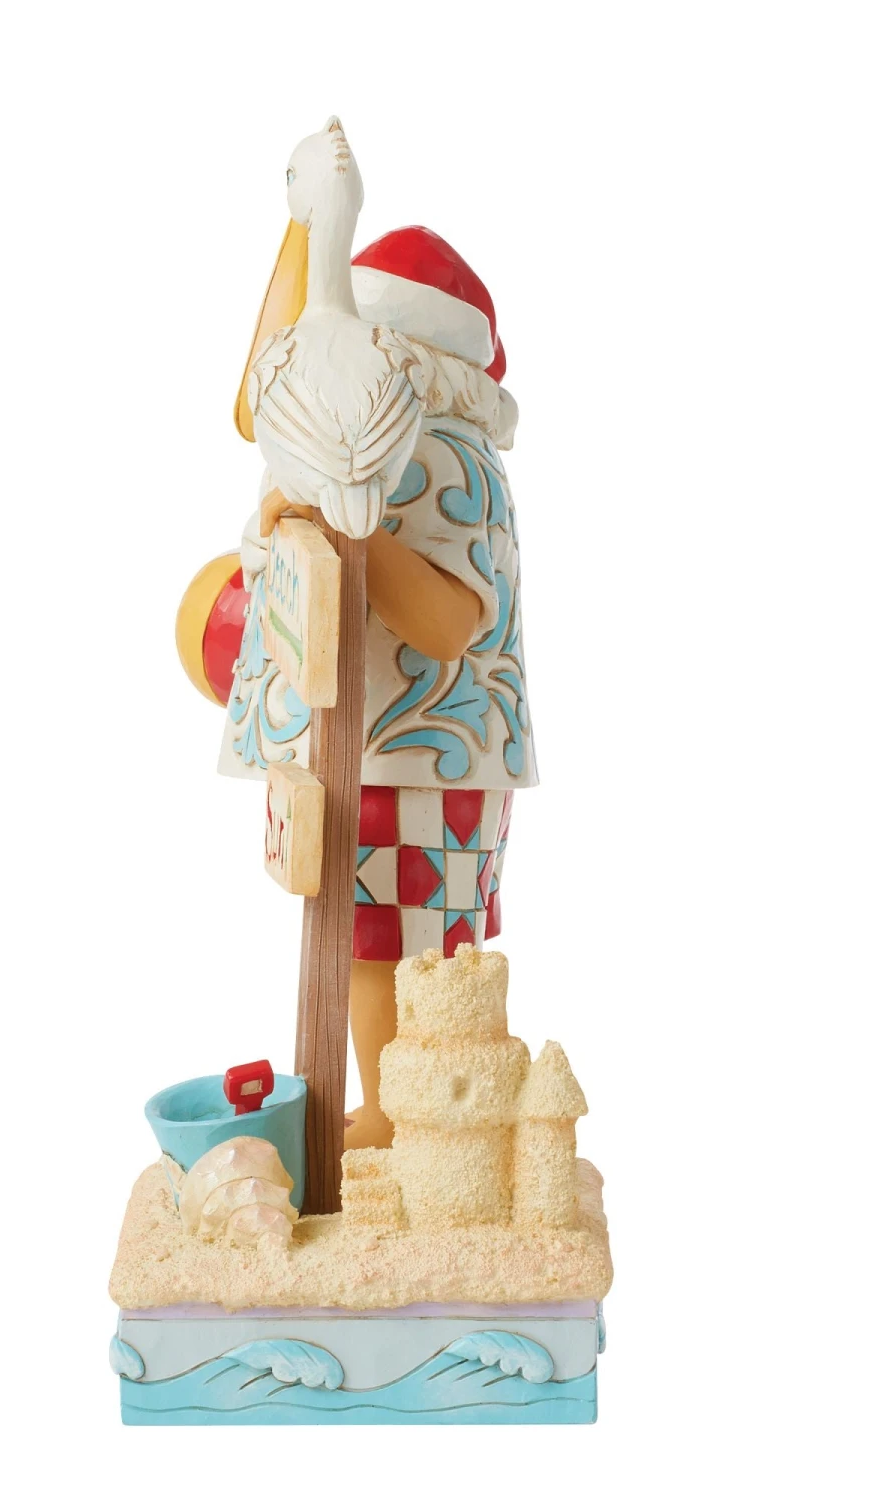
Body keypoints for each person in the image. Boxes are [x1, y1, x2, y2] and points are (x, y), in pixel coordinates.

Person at [191, 226, 538, 1150]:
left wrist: (351, 528)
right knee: (363, 934)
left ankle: (401, 1123)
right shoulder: (361, 451)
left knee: (407, 943)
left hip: (423, 752)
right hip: (366, 744)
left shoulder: (447, 460)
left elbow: (449, 624)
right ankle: (397, 1119)